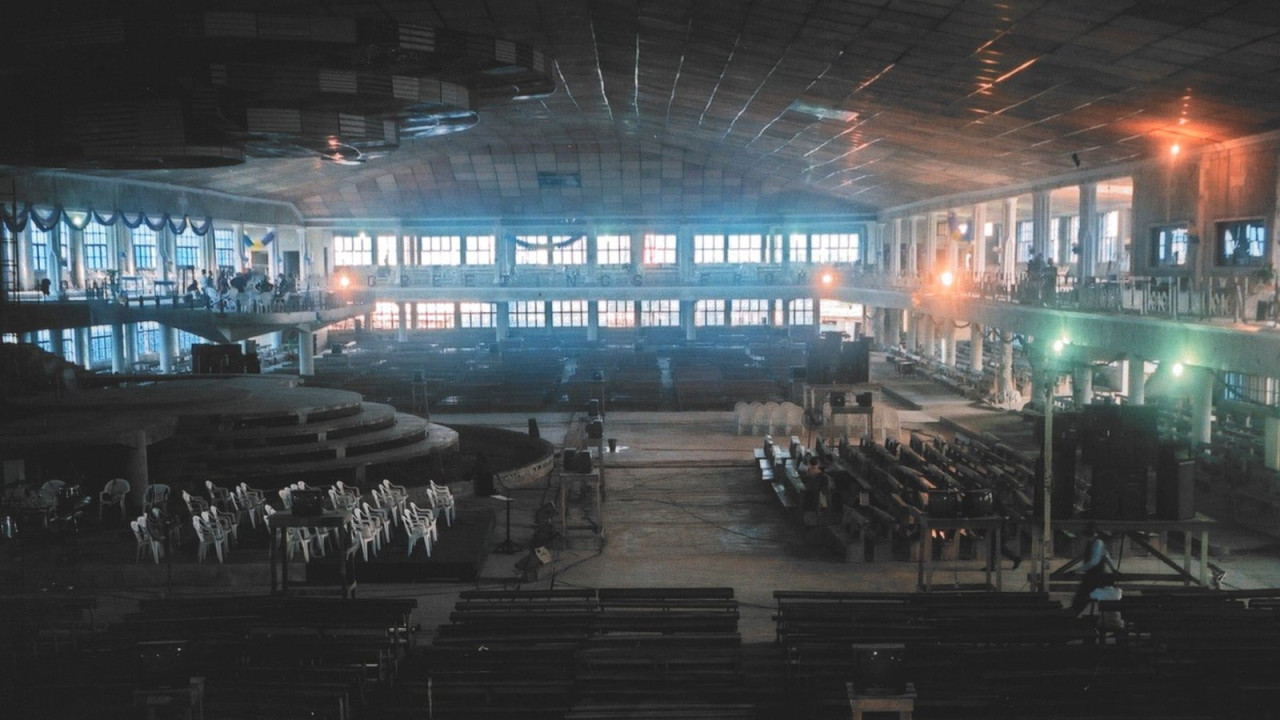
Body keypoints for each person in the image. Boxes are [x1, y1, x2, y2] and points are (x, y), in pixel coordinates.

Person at [1071, 524, 1118, 615]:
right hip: (1094, 576)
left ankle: (1072, 616)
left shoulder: (1097, 543)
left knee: (1080, 599)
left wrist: (1076, 571)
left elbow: (1094, 562)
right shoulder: (1097, 542)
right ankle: (1073, 614)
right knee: (1081, 599)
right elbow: (1107, 556)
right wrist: (1113, 569)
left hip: (1094, 577)